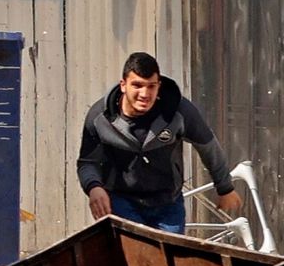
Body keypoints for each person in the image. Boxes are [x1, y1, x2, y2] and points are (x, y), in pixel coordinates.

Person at [77, 51, 241, 233]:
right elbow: (87, 163)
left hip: (167, 204)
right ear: (123, 85)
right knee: (133, 257)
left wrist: (224, 187)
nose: (144, 94)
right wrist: (94, 187)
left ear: (159, 86)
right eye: (137, 85)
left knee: (168, 258)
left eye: (151, 86)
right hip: (122, 201)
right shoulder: (100, 117)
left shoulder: (179, 111)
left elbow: (209, 147)